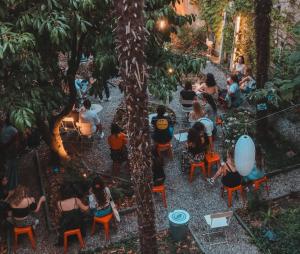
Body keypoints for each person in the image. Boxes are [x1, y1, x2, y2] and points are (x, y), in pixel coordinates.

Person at [0, 114, 19, 191]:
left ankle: (9, 187)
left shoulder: (3, 129)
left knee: (8, 169)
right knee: (12, 169)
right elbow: (17, 143)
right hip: (11, 153)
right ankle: (12, 186)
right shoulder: (13, 130)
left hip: (5, 153)